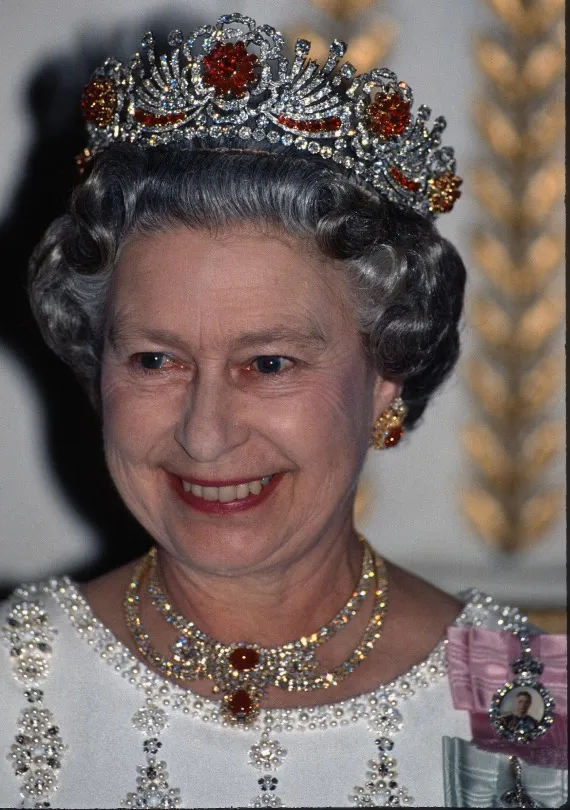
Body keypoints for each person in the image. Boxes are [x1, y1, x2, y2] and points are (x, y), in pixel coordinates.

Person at [0, 13, 566, 809]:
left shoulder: (523, 692)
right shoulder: (14, 680)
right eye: (155, 360)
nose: (205, 434)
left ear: (387, 375)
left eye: (269, 364)